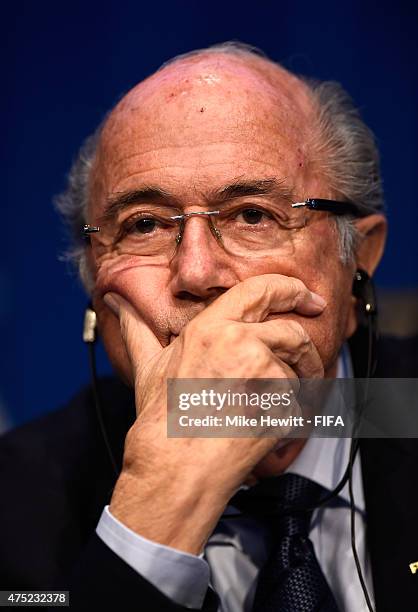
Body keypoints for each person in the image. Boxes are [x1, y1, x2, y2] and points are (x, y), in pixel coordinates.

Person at [1, 42, 417, 612]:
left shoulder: (406, 404)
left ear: (358, 262)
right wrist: (160, 500)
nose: (196, 273)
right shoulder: (15, 500)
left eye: (253, 214)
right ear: (94, 276)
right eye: (143, 224)